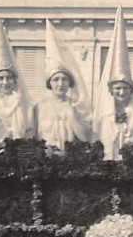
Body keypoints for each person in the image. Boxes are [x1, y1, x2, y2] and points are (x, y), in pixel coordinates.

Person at [93, 8, 133, 160]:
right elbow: (95, 134)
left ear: (131, 88)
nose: (121, 92)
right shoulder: (104, 102)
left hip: (132, 157)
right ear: (111, 89)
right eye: (117, 88)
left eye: (125, 88)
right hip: (108, 157)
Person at [33, 20, 92, 153]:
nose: (60, 84)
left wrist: (73, 116)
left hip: (70, 159)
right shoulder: (39, 107)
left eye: (64, 79)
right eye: (56, 80)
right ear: (50, 83)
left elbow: (85, 137)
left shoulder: (77, 105)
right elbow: (34, 136)